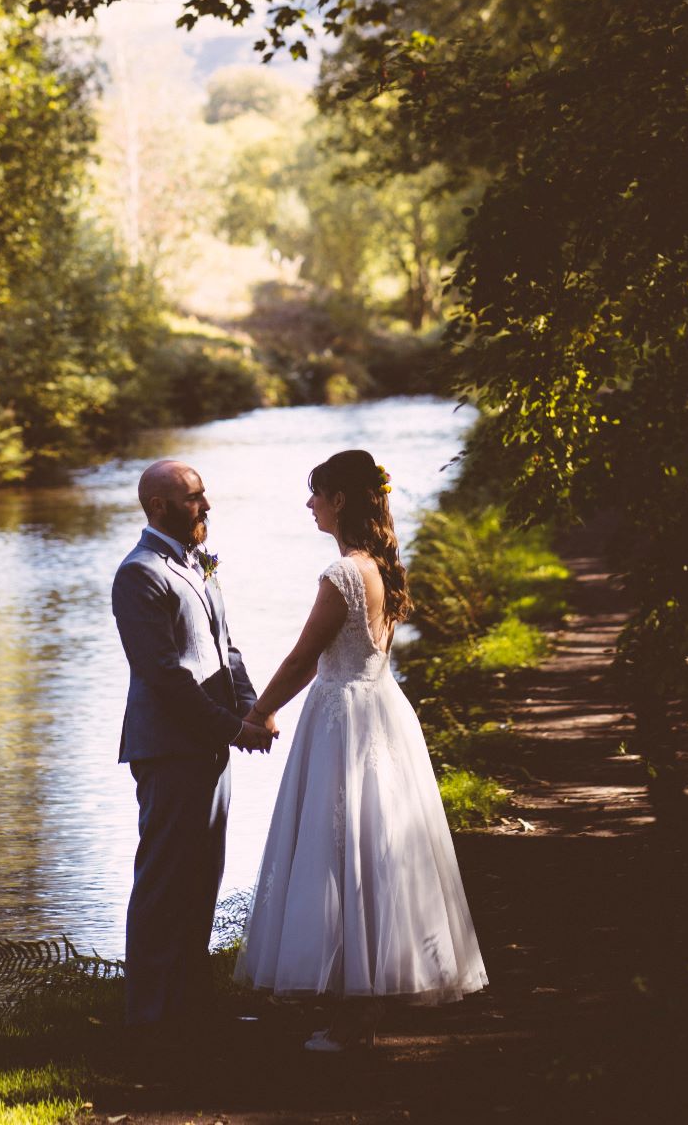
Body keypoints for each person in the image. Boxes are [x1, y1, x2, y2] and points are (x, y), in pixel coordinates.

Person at [234, 448, 487, 1049]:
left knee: (337, 850)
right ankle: (356, 1009)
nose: (309, 503)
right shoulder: (383, 566)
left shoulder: (343, 573)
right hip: (380, 708)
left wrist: (259, 711)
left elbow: (301, 659)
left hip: (342, 717)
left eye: (316, 492)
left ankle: (351, 1016)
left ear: (340, 499)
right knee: (372, 851)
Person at [112, 458, 274, 1033]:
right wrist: (230, 728)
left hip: (208, 745)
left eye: (203, 496)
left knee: (202, 877)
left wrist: (254, 710)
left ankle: (192, 1008)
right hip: (170, 748)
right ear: (159, 507)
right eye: (194, 498)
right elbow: (163, 674)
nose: (206, 507)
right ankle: (150, 1021)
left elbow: (225, 649)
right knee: (163, 883)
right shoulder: (139, 573)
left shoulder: (198, 562)